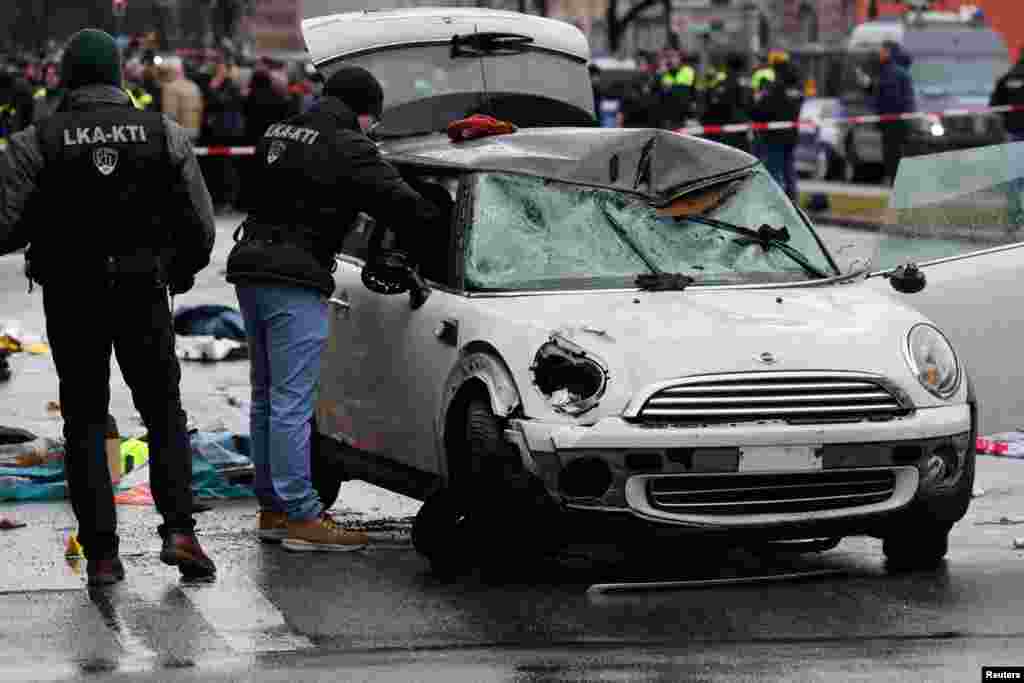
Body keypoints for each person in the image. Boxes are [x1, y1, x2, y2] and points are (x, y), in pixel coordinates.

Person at [0, 29, 217, 585]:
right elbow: (200, 224)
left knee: (86, 423)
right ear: (119, 75)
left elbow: (4, 225)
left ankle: (101, 555)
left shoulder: (36, 141)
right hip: (144, 290)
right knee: (164, 414)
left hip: (72, 296)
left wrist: (42, 229)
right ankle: (180, 532)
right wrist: (180, 268)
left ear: (68, 76)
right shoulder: (162, 133)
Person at [226, 66, 440, 552]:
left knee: (267, 396)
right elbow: (402, 207)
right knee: (292, 402)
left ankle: (274, 509)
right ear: (365, 113)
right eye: (374, 121)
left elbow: (246, 194)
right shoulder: (348, 143)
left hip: (251, 267)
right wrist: (435, 217)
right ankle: (302, 514)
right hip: (294, 276)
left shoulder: (279, 129)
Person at [752, 50, 805, 199]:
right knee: (789, 171)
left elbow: (763, 111)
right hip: (791, 134)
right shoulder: (797, 86)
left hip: (774, 136)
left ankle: (776, 205)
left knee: (774, 173)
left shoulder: (776, 87)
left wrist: (758, 102)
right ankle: (793, 203)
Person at [869, 41, 916, 186]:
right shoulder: (887, 71)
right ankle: (894, 180)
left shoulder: (894, 73)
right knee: (892, 152)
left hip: (895, 121)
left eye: (883, 51)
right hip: (891, 120)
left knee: (893, 153)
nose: (880, 54)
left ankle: (896, 180)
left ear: (890, 53)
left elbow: (894, 97)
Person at [991, 51, 1024, 225]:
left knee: (1015, 177)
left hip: (1013, 133)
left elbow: (995, 105)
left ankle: (1014, 218)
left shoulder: (1007, 78)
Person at [702, 52, 752, 153]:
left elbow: (712, 106)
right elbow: (749, 105)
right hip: (740, 130)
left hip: (723, 131)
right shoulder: (745, 84)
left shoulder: (721, 84)